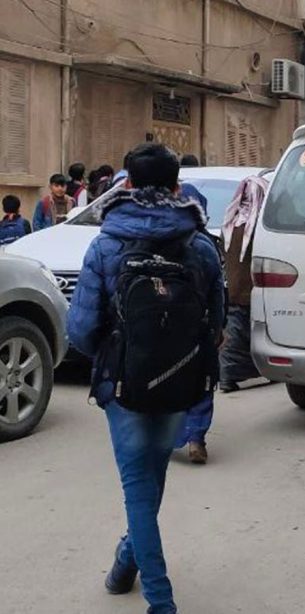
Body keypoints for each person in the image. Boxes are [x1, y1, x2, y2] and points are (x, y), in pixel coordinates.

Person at [66, 143, 224, 614]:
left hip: (123, 388)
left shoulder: (105, 243)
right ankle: (122, 566)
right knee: (149, 482)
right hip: (181, 384)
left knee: (139, 486)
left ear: (127, 185)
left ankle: (161, 601)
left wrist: (116, 360)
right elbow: (216, 326)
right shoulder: (200, 244)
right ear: (178, 187)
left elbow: (79, 330)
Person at [219, 175, 270, 392]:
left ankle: (229, 374)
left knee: (236, 333)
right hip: (251, 289)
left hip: (234, 289)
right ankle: (229, 374)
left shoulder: (230, 222)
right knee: (244, 334)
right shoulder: (259, 227)